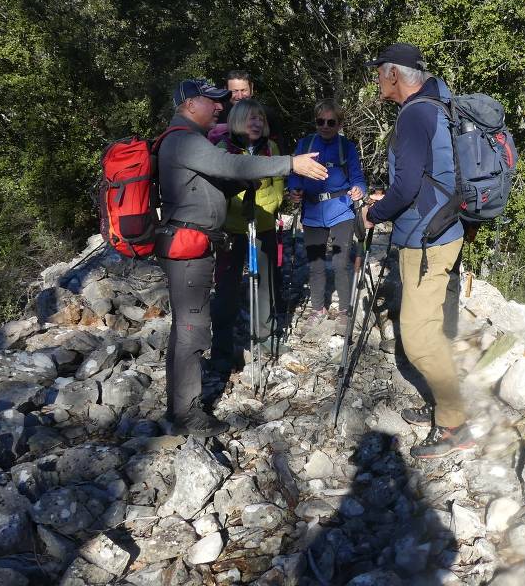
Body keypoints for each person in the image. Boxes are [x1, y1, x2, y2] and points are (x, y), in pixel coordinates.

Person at [156, 79, 327, 438]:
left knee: (188, 326)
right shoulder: (185, 139)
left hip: (192, 242)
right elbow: (230, 166)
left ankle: (180, 406)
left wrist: (238, 186)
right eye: (212, 102)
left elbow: (209, 185)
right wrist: (290, 163)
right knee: (192, 328)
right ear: (189, 104)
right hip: (188, 246)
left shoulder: (184, 140)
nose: (220, 108)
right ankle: (186, 413)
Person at [360, 43, 475, 459]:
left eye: (379, 74)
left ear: (393, 75)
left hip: (426, 239)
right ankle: (441, 405)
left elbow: (407, 187)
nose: (377, 81)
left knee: (420, 336)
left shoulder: (413, 115)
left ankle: (454, 427)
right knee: (426, 325)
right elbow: (425, 177)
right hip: (443, 227)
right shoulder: (438, 104)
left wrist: (375, 212)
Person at [207, 99, 284, 365]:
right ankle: (222, 349)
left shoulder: (271, 149)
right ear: (238, 121)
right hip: (232, 228)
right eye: (251, 118)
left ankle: (264, 338)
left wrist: (269, 207)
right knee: (226, 288)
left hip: (263, 226)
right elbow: (216, 188)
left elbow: (278, 186)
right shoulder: (223, 150)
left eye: (260, 119)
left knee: (266, 284)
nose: (257, 123)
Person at [287, 99, 367, 329]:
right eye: (320, 121)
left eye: (331, 122)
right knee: (316, 263)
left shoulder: (346, 147)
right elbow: (293, 173)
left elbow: (358, 177)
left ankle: (344, 310)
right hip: (312, 211)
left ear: (340, 124)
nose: (325, 126)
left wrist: (359, 190)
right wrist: (294, 189)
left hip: (341, 209)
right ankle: (317, 308)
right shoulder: (305, 143)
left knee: (341, 262)